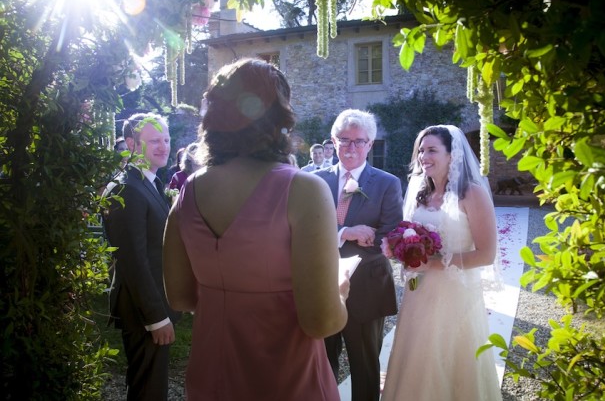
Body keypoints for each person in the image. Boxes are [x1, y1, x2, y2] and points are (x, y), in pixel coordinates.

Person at [162, 58, 350, 400]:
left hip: (212, 380)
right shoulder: (304, 191)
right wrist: (340, 292)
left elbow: (180, 297)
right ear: (280, 117)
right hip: (287, 381)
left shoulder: (188, 190)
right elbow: (321, 321)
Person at [381, 125, 502, 400]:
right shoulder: (420, 193)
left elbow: (486, 254)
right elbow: (409, 233)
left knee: (451, 359)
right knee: (418, 357)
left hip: (455, 295)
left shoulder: (472, 194)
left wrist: (431, 265)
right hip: (419, 294)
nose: (424, 156)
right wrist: (397, 247)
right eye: (421, 150)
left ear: (452, 155)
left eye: (432, 150)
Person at [315, 109, 403, 401]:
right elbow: (305, 230)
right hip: (322, 285)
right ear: (333, 140)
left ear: (370, 144)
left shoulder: (387, 183)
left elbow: (390, 234)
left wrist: (360, 235)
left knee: (364, 365)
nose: (351, 148)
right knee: (321, 364)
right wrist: (346, 232)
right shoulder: (314, 182)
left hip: (366, 286)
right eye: (344, 140)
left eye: (358, 141)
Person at [101, 113, 182, 401]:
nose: (163, 146)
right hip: (142, 309)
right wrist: (156, 318)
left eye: (166, 140)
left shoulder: (149, 182)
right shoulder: (126, 189)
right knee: (148, 388)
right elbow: (132, 259)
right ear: (133, 144)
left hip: (154, 302)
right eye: (153, 141)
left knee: (151, 384)